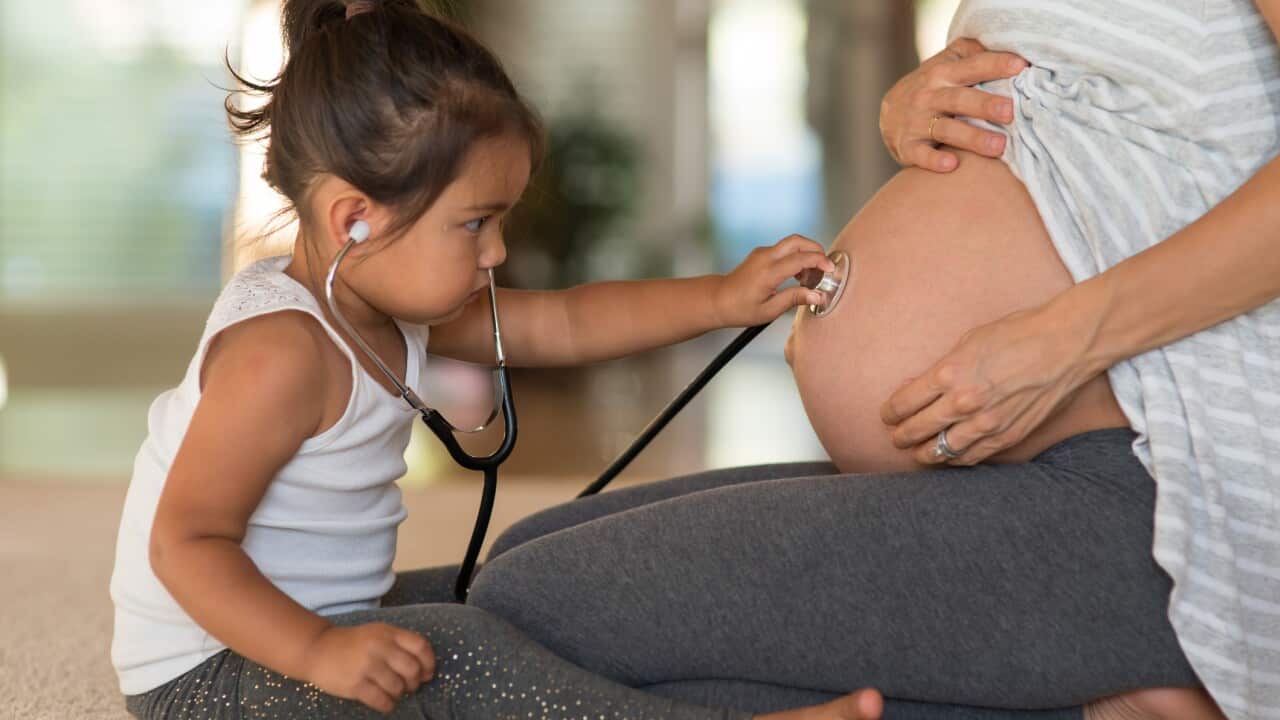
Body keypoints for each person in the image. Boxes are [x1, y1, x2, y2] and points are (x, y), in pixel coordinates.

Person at [461, 1, 1280, 719]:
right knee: (525, 557)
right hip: (1019, 472)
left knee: (537, 607)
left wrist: (1063, 341)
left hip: (1165, 484)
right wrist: (916, 103)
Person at [107, 1, 884, 718]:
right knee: (464, 656)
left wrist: (722, 298)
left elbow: (568, 323)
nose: (499, 250)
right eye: (475, 224)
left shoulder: (386, 304)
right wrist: (319, 653)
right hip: (210, 678)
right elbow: (185, 543)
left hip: (322, 625)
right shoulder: (281, 353)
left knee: (521, 593)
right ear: (355, 221)